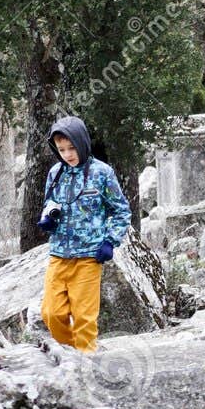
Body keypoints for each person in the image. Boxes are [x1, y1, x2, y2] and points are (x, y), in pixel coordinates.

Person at [37, 114, 131, 352]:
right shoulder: (55, 173)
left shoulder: (102, 173)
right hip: (59, 254)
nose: (68, 154)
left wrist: (110, 241)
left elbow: (121, 211)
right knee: (51, 313)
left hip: (89, 257)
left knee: (84, 320)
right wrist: (48, 218)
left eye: (71, 148)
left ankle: (86, 365)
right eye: (61, 149)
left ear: (82, 143)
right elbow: (49, 203)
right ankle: (71, 355)